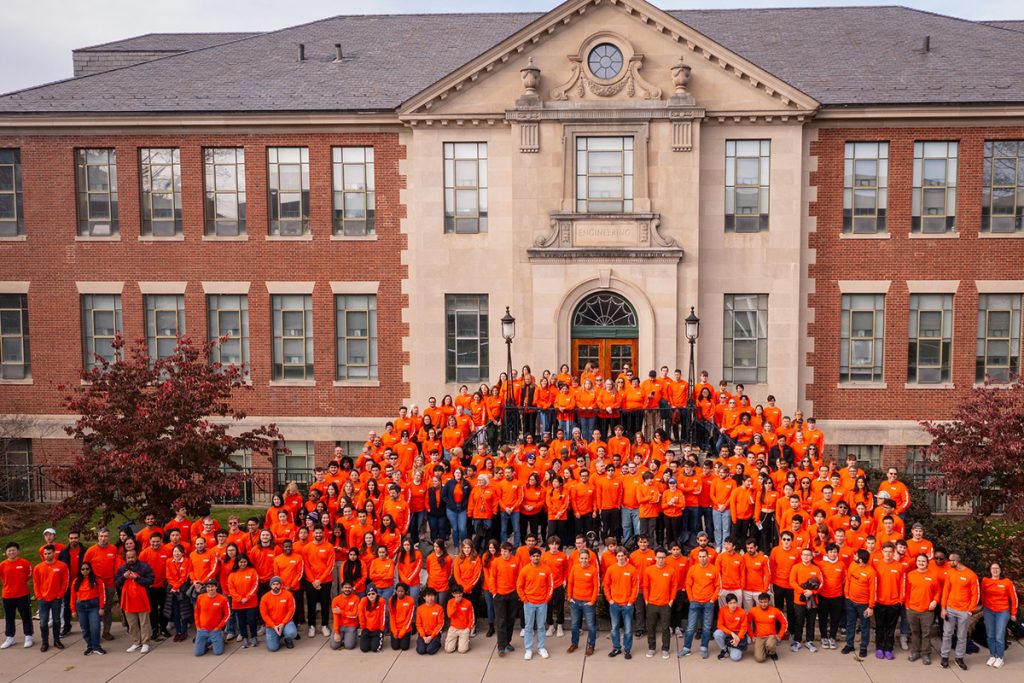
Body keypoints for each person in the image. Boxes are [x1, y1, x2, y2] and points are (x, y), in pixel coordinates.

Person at [939, 551, 979, 671]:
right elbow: (946, 590)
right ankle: (944, 657)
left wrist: (969, 611)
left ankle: (959, 658)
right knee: (947, 634)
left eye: (950, 560)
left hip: (963, 611)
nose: (948, 562)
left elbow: (975, 595)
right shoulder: (950, 572)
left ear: (957, 561)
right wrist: (943, 608)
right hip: (950, 609)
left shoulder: (971, 575)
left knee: (962, 636)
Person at [681, 547, 721, 658]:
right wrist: (691, 599)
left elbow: (718, 586)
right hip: (695, 602)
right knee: (690, 627)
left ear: (707, 557)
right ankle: (686, 648)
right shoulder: (693, 569)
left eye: (704, 556)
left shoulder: (714, 569)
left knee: (707, 627)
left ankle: (704, 648)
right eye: (700, 557)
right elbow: (688, 585)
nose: (702, 559)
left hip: (708, 602)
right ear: (697, 557)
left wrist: (712, 599)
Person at [83, 528, 121, 641]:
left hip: (109, 584)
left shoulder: (113, 549)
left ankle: (106, 631)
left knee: (106, 609)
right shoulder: (91, 551)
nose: (103, 538)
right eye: (101, 536)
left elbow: (117, 565)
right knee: (95, 609)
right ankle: (94, 633)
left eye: (106, 536)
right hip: (95, 585)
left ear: (109, 537)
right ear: (98, 537)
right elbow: (85, 568)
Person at [113, 548, 154, 654]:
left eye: (133, 557)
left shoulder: (144, 567)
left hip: (141, 599)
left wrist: (137, 578)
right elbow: (117, 583)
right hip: (128, 600)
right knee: (132, 623)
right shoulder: (122, 569)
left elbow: (150, 580)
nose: (131, 559)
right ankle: (136, 642)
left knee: (144, 622)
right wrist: (123, 577)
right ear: (125, 558)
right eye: (128, 557)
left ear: (137, 556)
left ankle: (145, 643)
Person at [517, 546, 554, 660]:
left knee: (541, 626)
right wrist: (524, 599)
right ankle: (528, 649)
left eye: (537, 556)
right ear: (530, 557)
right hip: (529, 603)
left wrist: (547, 598)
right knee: (528, 627)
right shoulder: (524, 570)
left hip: (542, 603)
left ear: (540, 556)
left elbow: (550, 585)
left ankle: (541, 647)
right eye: (533, 556)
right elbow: (519, 586)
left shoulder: (546, 569)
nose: (536, 558)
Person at [604, 547, 639, 659]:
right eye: (618, 556)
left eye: (622, 555)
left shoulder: (632, 570)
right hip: (614, 604)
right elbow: (606, 585)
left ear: (626, 556)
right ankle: (616, 648)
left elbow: (635, 587)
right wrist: (610, 600)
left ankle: (627, 650)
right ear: (616, 557)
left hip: (627, 605)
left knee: (628, 629)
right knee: (614, 628)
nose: (620, 558)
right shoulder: (611, 569)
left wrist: (630, 601)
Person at [32, 544, 69, 652]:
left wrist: (60, 595)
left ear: (54, 553)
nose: (47, 555)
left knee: (56, 621)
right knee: (43, 622)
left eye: (49, 553)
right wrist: (39, 596)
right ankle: (45, 642)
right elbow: (36, 583)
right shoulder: (38, 567)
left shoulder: (62, 566)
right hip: (43, 599)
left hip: (56, 599)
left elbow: (65, 582)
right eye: (45, 554)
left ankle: (57, 641)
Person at [642, 547, 676, 658]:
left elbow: (674, 587)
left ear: (666, 558)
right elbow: (645, 586)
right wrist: (646, 600)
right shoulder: (649, 570)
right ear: (655, 557)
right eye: (659, 557)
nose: (661, 560)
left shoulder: (671, 570)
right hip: (652, 603)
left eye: (663, 558)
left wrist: (671, 601)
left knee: (665, 628)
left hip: (665, 604)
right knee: (651, 627)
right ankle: (651, 648)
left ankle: (665, 648)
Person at [981, 561, 1016, 669]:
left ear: (1000, 570)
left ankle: (1000, 657)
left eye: (997, 568)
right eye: (993, 568)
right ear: (990, 570)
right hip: (989, 611)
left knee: (999, 636)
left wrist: (1013, 613)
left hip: (1003, 612)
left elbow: (1014, 598)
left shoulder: (1007, 582)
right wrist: (984, 606)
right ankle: (993, 655)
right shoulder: (985, 580)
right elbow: (982, 594)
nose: (995, 570)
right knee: (990, 635)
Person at [566, 547, 599, 656]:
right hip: (575, 601)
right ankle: (574, 643)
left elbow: (596, 587)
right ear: (579, 559)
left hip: (588, 602)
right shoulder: (575, 568)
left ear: (589, 559)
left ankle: (591, 646)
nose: (584, 560)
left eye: (586, 558)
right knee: (575, 625)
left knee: (591, 626)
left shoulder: (593, 570)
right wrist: (569, 597)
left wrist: (592, 600)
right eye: (582, 558)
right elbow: (570, 583)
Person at [302, 525, 334, 638]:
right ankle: (312, 626)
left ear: (324, 534)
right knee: (311, 604)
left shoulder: (329, 547)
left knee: (325, 604)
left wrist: (320, 580)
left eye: (320, 533)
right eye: (316, 533)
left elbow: (330, 566)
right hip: (311, 581)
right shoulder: (307, 548)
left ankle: (324, 625)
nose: (318, 535)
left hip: (325, 581)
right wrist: (313, 580)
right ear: (313, 533)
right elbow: (305, 566)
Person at [1, 542, 34, 649]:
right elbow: (2, 577)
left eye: (13, 550)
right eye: (9, 550)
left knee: (26, 616)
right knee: (9, 617)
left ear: (18, 551)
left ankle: (28, 636)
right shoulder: (2, 565)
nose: (11, 552)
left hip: (22, 594)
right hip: (7, 595)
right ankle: (10, 637)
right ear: (6, 553)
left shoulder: (24, 563)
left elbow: (29, 574)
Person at [70, 562, 106, 655]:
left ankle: (96, 647)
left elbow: (102, 594)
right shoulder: (76, 581)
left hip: (93, 606)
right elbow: (73, 596)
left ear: (90, 569)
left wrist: (102, 607)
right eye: (83, 569)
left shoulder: (97, 580)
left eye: (87, 569)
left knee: (95, 627)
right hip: (81, 606)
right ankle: (89, 646)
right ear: (80, 570)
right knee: (85, 628)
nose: (85, 571)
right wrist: (73, 610)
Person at [492, 542, 520, 657]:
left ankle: (507, 641)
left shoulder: (516, 561)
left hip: (513, 594)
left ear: (510, 552)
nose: (504, 553)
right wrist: (494, 592)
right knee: (501, 621)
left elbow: (519, 577)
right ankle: (501, 646)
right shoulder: (496, 562)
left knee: (510, 619)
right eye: (502, 551)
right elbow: (492, 578)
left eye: (506, 551)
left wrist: (518, 592)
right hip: (500, 595)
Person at [57, 531, 86, 638]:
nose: (74, 540)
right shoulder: (64, 553)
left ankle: (86, 627)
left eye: (76, 538)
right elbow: (59, 568)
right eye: (71, 538)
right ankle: (67, 627)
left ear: (79, 538)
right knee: (67, 607)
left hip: (82, 584)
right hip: (68, 585)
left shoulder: (85, 551)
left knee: (83, 606)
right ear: (68, 539)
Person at [227, 554, 259, 648]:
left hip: (251, 602)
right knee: (241, 622)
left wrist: (247, 598)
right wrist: (240, 599)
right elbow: (231, 589)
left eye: (244, 561)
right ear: (237, 563)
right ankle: (245, 638)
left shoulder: (252, 571)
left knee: (252, 620)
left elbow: (255, 585)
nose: (243, 563)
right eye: (241, 562)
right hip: (238, 604)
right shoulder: (232, 574)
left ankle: (254, 637)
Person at [193, 580, 231, 656]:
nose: (210, 589)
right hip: (202, 630)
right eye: (208, 587)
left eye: (212, 586)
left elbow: (228, 614)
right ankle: (209, 641)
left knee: (218, 652)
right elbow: (196, 612)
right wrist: (197, 626)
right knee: (198, 653)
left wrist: (219, 627)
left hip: (215, 630)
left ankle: (220, 637)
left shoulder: (222, 599)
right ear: (206, 588)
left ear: (216, 587)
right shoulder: (200, 597)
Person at [260, 576, 297, 651]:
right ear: (271, 585)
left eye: (277, 584)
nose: (276, 586)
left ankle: (288, 639)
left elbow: (291, 610)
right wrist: (274, 626)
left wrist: (283, 623)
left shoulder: (288, 595)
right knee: (273, 648)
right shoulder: (265, 598)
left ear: (281, 585)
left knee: (291, 633)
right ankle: (277, 636)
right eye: (273, 584)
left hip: (286, 623)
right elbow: (264, 615)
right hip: (272, 624)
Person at [748, 592, 787, 662]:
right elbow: (747, 623)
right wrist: (752, 636)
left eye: (765, 602)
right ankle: (765, 649)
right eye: (761, 602)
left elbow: (784, 623)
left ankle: (772, 652)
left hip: (771, 636)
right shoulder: (753, 611)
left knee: (771, 644)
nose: (763, 604)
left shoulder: (775, 611)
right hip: (759, 637)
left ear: (769, 601)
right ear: (758, 602)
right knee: (760, 659)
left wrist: (780, 635)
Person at [713, 593, 749, 661]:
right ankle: (724, 649)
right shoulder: (722, 610)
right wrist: (731, 633)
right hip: (727, 632)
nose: (733, 605)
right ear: (727, 604)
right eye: (730, 603)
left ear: (737, 603)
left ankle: (730, 647)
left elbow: (744, 627)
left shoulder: (742, 612)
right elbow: (719, 625)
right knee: (717, 633)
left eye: (734, 602)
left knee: (736, 657)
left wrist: (738, 638)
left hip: (738, 634)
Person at [329, 581, 360, 651]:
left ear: (352, 589)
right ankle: (341, 636)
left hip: (351, 626)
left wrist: (341, 612)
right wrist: (336, 632)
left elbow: (354, 615)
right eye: (345, 587)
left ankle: (351, 636)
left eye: (349, 588)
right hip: (340, 626)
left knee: (349, 646)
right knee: (334, 646)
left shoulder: (356, 598)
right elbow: (336, 618)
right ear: (342, 589)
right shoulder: (336, 600)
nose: (347, 589)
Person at [445, 585, 475, 653]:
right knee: (449, 650)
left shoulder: (468, 603)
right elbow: (449, 614)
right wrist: (456, 603)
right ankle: (457, 640)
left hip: (464, 629)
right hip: (453, 628)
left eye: (460, 593)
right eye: (456, 593)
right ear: (453, 594)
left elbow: (472, 617)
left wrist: (468, 628)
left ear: (462, 593)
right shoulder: (450, 602)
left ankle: (465, 641)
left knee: (462, 650)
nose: (458, 595)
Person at [415, 587, 445, 655]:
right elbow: (418, 624)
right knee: (421, 651)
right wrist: (423, 636)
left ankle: (436, 643)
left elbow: (441, 623)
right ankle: (423, 642)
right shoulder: (420, 609)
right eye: (428, 596)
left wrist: (431, 637)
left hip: (434, 634)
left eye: (432, 595)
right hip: (423, 634)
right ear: (424, 597)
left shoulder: (439, 608)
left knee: (429, 650)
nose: (431, 598)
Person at [358, 585, 387, 653]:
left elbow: (382, 616)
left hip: (377, 629)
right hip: (367, 629)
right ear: (367, 595)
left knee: (375, 649)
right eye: (369, 594)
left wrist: (381, 629)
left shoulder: (381, 601)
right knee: (364, 649)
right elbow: (361, 615)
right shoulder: (363, 601)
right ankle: (370, 639)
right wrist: (363, 628)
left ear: (376, 594)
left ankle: (377, 639)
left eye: (373, 593)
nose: (371, 595)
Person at [388, 583, 416, 651]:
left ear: (405, 591)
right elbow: (391, 617)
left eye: (402, 591)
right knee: (395, 647)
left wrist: (402, 632)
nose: (400, 593)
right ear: (396, 591)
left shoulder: (410, 600)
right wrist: (394, 631)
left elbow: (409, 618)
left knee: (404, 647)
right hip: (395, 627)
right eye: (398, 591)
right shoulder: (391, 600)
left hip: (405, 628)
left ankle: (406, 636)